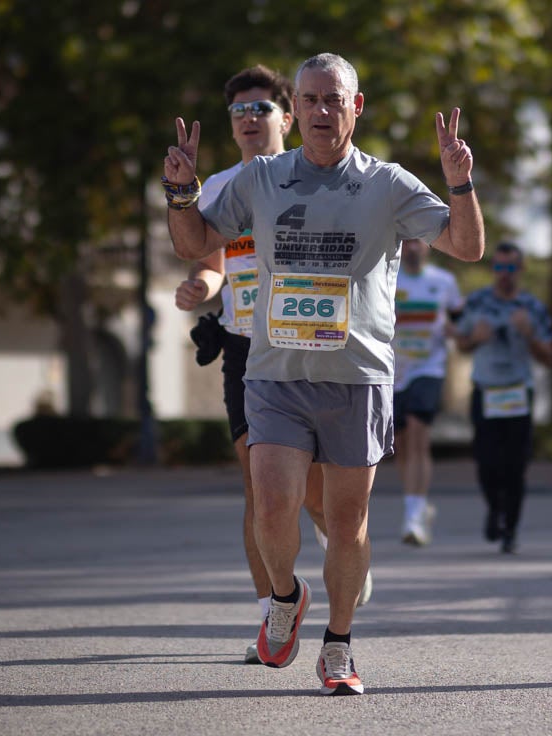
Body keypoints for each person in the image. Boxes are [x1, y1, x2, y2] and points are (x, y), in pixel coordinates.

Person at [163, 52, 484, 695]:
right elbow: (195, 242)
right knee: (274, 500)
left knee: (346, 522)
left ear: (355, 107)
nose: (319, 111)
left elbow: (466, 246)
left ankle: (339, 646)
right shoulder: (261, 179)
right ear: (298, 108)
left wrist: (459, 183)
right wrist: (181, 190)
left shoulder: (388, 183)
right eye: (309, 99)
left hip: (357, 377)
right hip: (275, 374)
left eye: (332, 99)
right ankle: (285, 597)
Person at [172, 65, 372, 667]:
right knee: (259, 488)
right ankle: (274, 612)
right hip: (249, 349)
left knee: (317, 493)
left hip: (323, 346)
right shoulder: (225, 187)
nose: (250, 120)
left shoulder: (316, 178)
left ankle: (341, 544)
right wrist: (202, 287)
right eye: (239, 112)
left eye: (261, 109)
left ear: (288, 117)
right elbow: (209, 261)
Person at [454, 242, 552, 554]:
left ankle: (510, 529)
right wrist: (474, 339)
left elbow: (549, 357)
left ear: (520, 270)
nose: (504, 274)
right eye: (499, 267)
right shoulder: (478, 302)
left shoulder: (532, 307)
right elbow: (460, 345)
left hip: (517, 394)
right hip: (486, 391)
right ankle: (495, 508)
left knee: (515, 466)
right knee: (486, 463)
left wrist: (529, 335)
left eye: (510, 268)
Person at [393, 238, 463, 546]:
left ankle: (414, 514)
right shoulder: (388, 275)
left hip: (428, 368)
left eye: (417, 242)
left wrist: (456, 332)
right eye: (406, 242)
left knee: (419, 432)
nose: (412, 248)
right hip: (393, 371)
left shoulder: (444, 281)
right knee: (401, 442)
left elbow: (461, 317)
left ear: (428, 246)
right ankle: (417, 502)